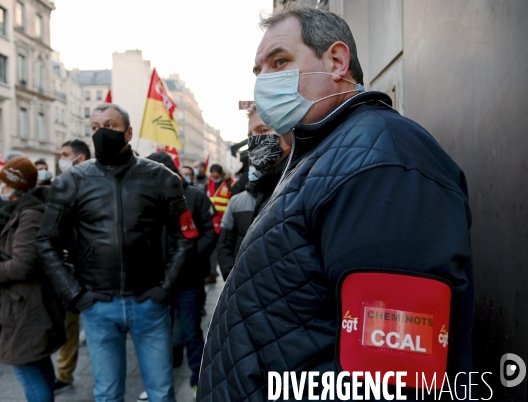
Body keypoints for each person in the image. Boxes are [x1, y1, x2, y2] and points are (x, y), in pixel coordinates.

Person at [198, 5, 475, 401]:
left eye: (280, 61)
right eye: (258, 72)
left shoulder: (382, 161)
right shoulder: (324, 153)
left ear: (337, 61)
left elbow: (392, 374)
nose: (264, 82)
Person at [35, 103, 194, 402]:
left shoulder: (160, 178)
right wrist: (75, 294)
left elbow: (185, 237)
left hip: (149, 303)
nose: (101, 133)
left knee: (162, 392)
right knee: (107, 394)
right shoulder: (72, 181)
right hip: (98, 306)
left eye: (109, 125)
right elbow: (45, 243)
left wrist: (166, 288)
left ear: (128, 132)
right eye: (95, 127)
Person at [0, 157, 65, 402]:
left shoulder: (29, 214)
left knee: (27, 372)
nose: (0, 188)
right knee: (37, 365)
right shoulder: (26, 209)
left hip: (27, 304)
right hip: (27, 301)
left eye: (3, 183)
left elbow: (22, 265)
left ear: (16, 186)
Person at [147, 153, 217, 398]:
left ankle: (199, 378)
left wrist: (188, 259)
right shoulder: (149, 197)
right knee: (159, 334)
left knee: (191, 331)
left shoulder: (196, 197)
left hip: (188, 280)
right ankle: (163, 377)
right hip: (158, 281)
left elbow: (210, 233)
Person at [215, 105, 290, 280]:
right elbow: (225, 244)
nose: (255, 140)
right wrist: (231, 277)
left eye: (263, 130)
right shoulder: (242, 198)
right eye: (250, 136)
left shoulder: (302, 187)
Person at [52, 138, 91, 394]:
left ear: (80, 158)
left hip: (95, 271)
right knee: (69, 325)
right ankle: (64, 374)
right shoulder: (59, 187)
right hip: (70, 270)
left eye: (65, 154)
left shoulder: (97, 186)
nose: (61, 159)